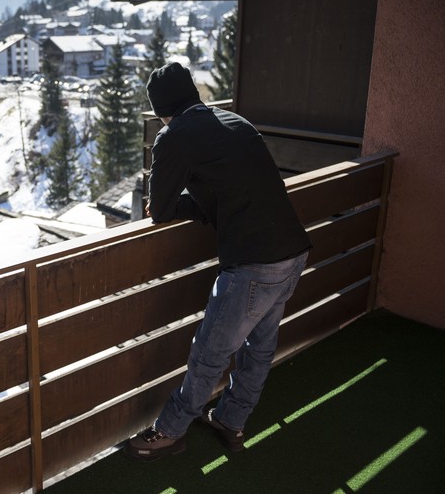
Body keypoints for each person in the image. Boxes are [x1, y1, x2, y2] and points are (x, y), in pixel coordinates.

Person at [124, 62, 311, 461]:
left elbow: (159, 210)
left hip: (254, 261)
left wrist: (166, 205)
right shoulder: (234, 121)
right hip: (292, 251)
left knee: (210, 351)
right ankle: (230, 420)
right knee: (258, 348)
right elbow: (225, 192)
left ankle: (169, 431)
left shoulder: (173, 136)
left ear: (160, 109)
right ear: (193, 94)